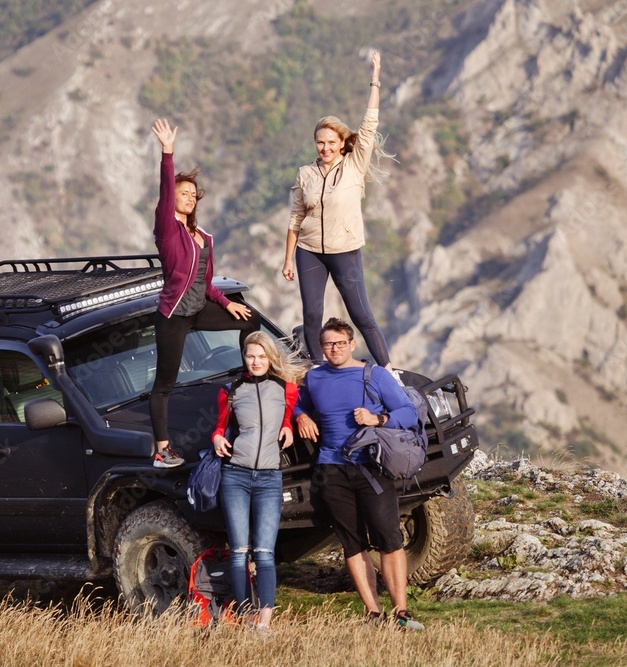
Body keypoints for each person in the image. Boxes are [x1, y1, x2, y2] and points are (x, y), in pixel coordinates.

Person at [293, 317, 424, 631]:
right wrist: (299, 415)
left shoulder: (373, 374)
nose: (334, 349)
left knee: (390, 539)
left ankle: (401, 612)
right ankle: (373, 614)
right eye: (328, 344)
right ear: (321, 347)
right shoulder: (314, 378)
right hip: (331, 469)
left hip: (370, 467)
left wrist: (376, 418)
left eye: (340, 343)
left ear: (352, 344)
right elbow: (295, 401)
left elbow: (407, 412)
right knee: (352, 543)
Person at [150, 118, 260, 468]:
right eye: (182, 193)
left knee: (251, 320)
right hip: (174, 315)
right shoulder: (168, 230)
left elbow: (207, 284)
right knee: (165, 383)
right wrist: (168, 153)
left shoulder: (204, 238)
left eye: (191, 195)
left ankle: (252, 380)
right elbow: (167, 191)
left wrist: (227, 304)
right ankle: (162, 449)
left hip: (199, 308)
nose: (187, 197)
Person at [282, 50, 393, 368]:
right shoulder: (306, 173)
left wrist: (375, 80)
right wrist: (288, 258)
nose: (325, 148)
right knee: (312, 314)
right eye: (320, 143)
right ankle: (317, 369)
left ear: (342, 144)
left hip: (345, 251)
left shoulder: (354, 165)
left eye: (331, 142)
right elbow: (296, 217)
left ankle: (387, 370)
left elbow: (369, 125)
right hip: (309, 250)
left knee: (361, 314)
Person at [211, 331, 305, 631]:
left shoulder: (286, 388)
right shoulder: (231, 390)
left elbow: (288, 416)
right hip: (235, 476)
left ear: (270, 358)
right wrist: (215, 438)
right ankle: (245, 617)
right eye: (251, 356)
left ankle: (264, 622)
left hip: (269, 478)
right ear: (244, 357)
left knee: (265, 554)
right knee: (239, 554)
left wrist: (290, 425)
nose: (256, 361)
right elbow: (220, 426)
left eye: (262, 356)